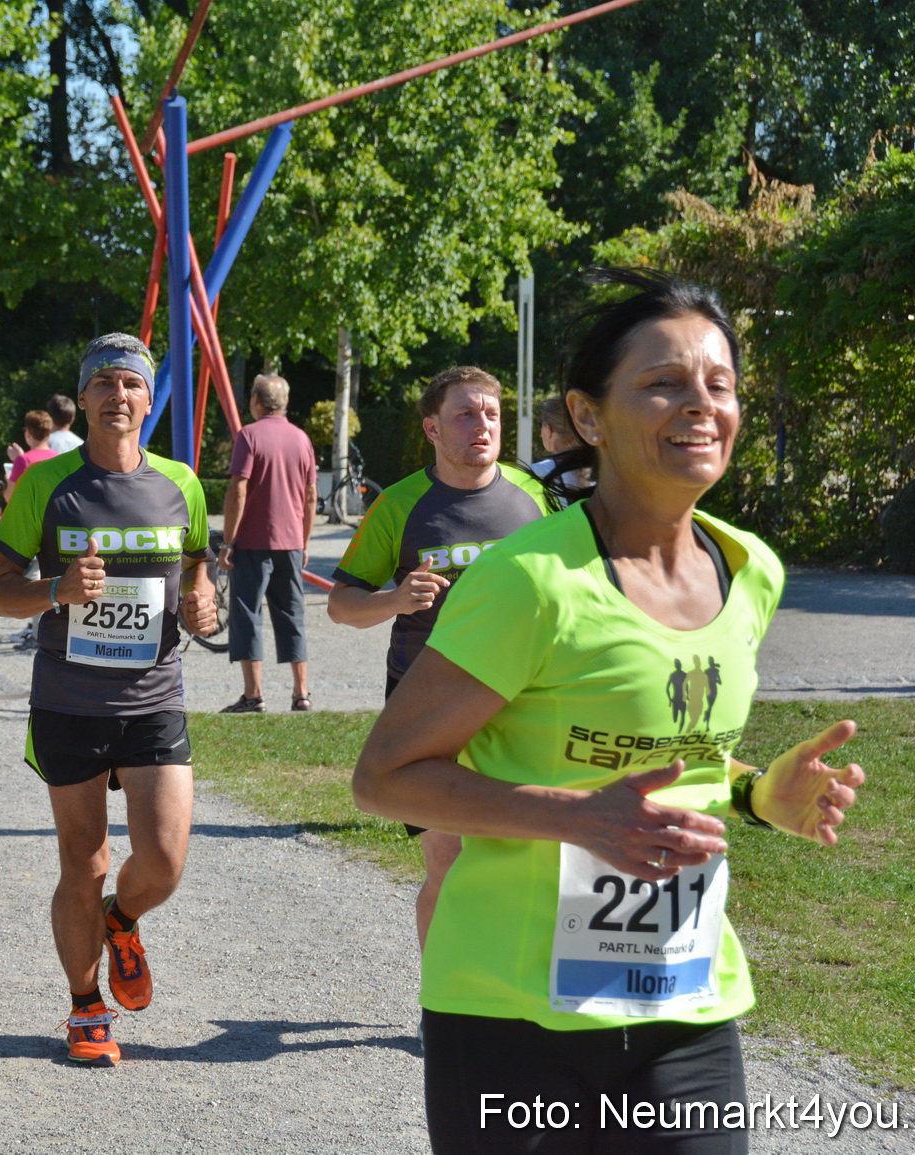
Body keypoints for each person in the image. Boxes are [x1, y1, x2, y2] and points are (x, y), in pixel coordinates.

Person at [352, 269, 866, 1154]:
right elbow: (385, 777)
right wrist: (576, 818)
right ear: (589, 417)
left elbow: (675, 759)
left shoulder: (751, 572)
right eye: (664, 382)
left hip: (685, 1007)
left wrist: (753, 795)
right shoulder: (531, 580)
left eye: (720, 382)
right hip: (511, 1018)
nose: (700, 404)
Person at [0, 332, 217, 1067]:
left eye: (133, 384)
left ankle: (124, 919)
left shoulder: (183, 481)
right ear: (83, 399)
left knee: (166, 858)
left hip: (153, 696)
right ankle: (87, 1009)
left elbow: (198, 560)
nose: (120, 395)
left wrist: (203, 597)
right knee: (82, 861)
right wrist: (55, 590)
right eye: (105, 384)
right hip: (69, 701)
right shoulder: (48, 484)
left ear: (151, 400)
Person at [328, 365, 553, 950]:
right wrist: (396, 599)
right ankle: (442, 1010)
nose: (483, 426)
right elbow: (341, 606)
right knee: (449, 859)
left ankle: (510, 996)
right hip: (427, 702)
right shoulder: (401, 504)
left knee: (524, 858)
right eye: (465, 415)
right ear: (431, 428)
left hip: (519, 701)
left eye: (492, 414)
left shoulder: (533, 497)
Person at [218, 374, 317, 713]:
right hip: (290, 541)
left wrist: (228, 542)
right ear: (285, 403)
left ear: (256, 401)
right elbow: (310, 496)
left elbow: (238, 490)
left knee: (247, 614)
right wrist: (304, 542)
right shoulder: (302, 439)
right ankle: (301, 693)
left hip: (252, 541)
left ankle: (253, 695)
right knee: (292, 614)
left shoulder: (249, 435)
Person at [3, 409, 59, 650]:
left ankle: (37, 632)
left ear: (28, 433)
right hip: (54, 522)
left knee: (35, 580)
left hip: (29, 525)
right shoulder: (58, 456)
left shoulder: (23, 461)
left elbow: (10, 495)